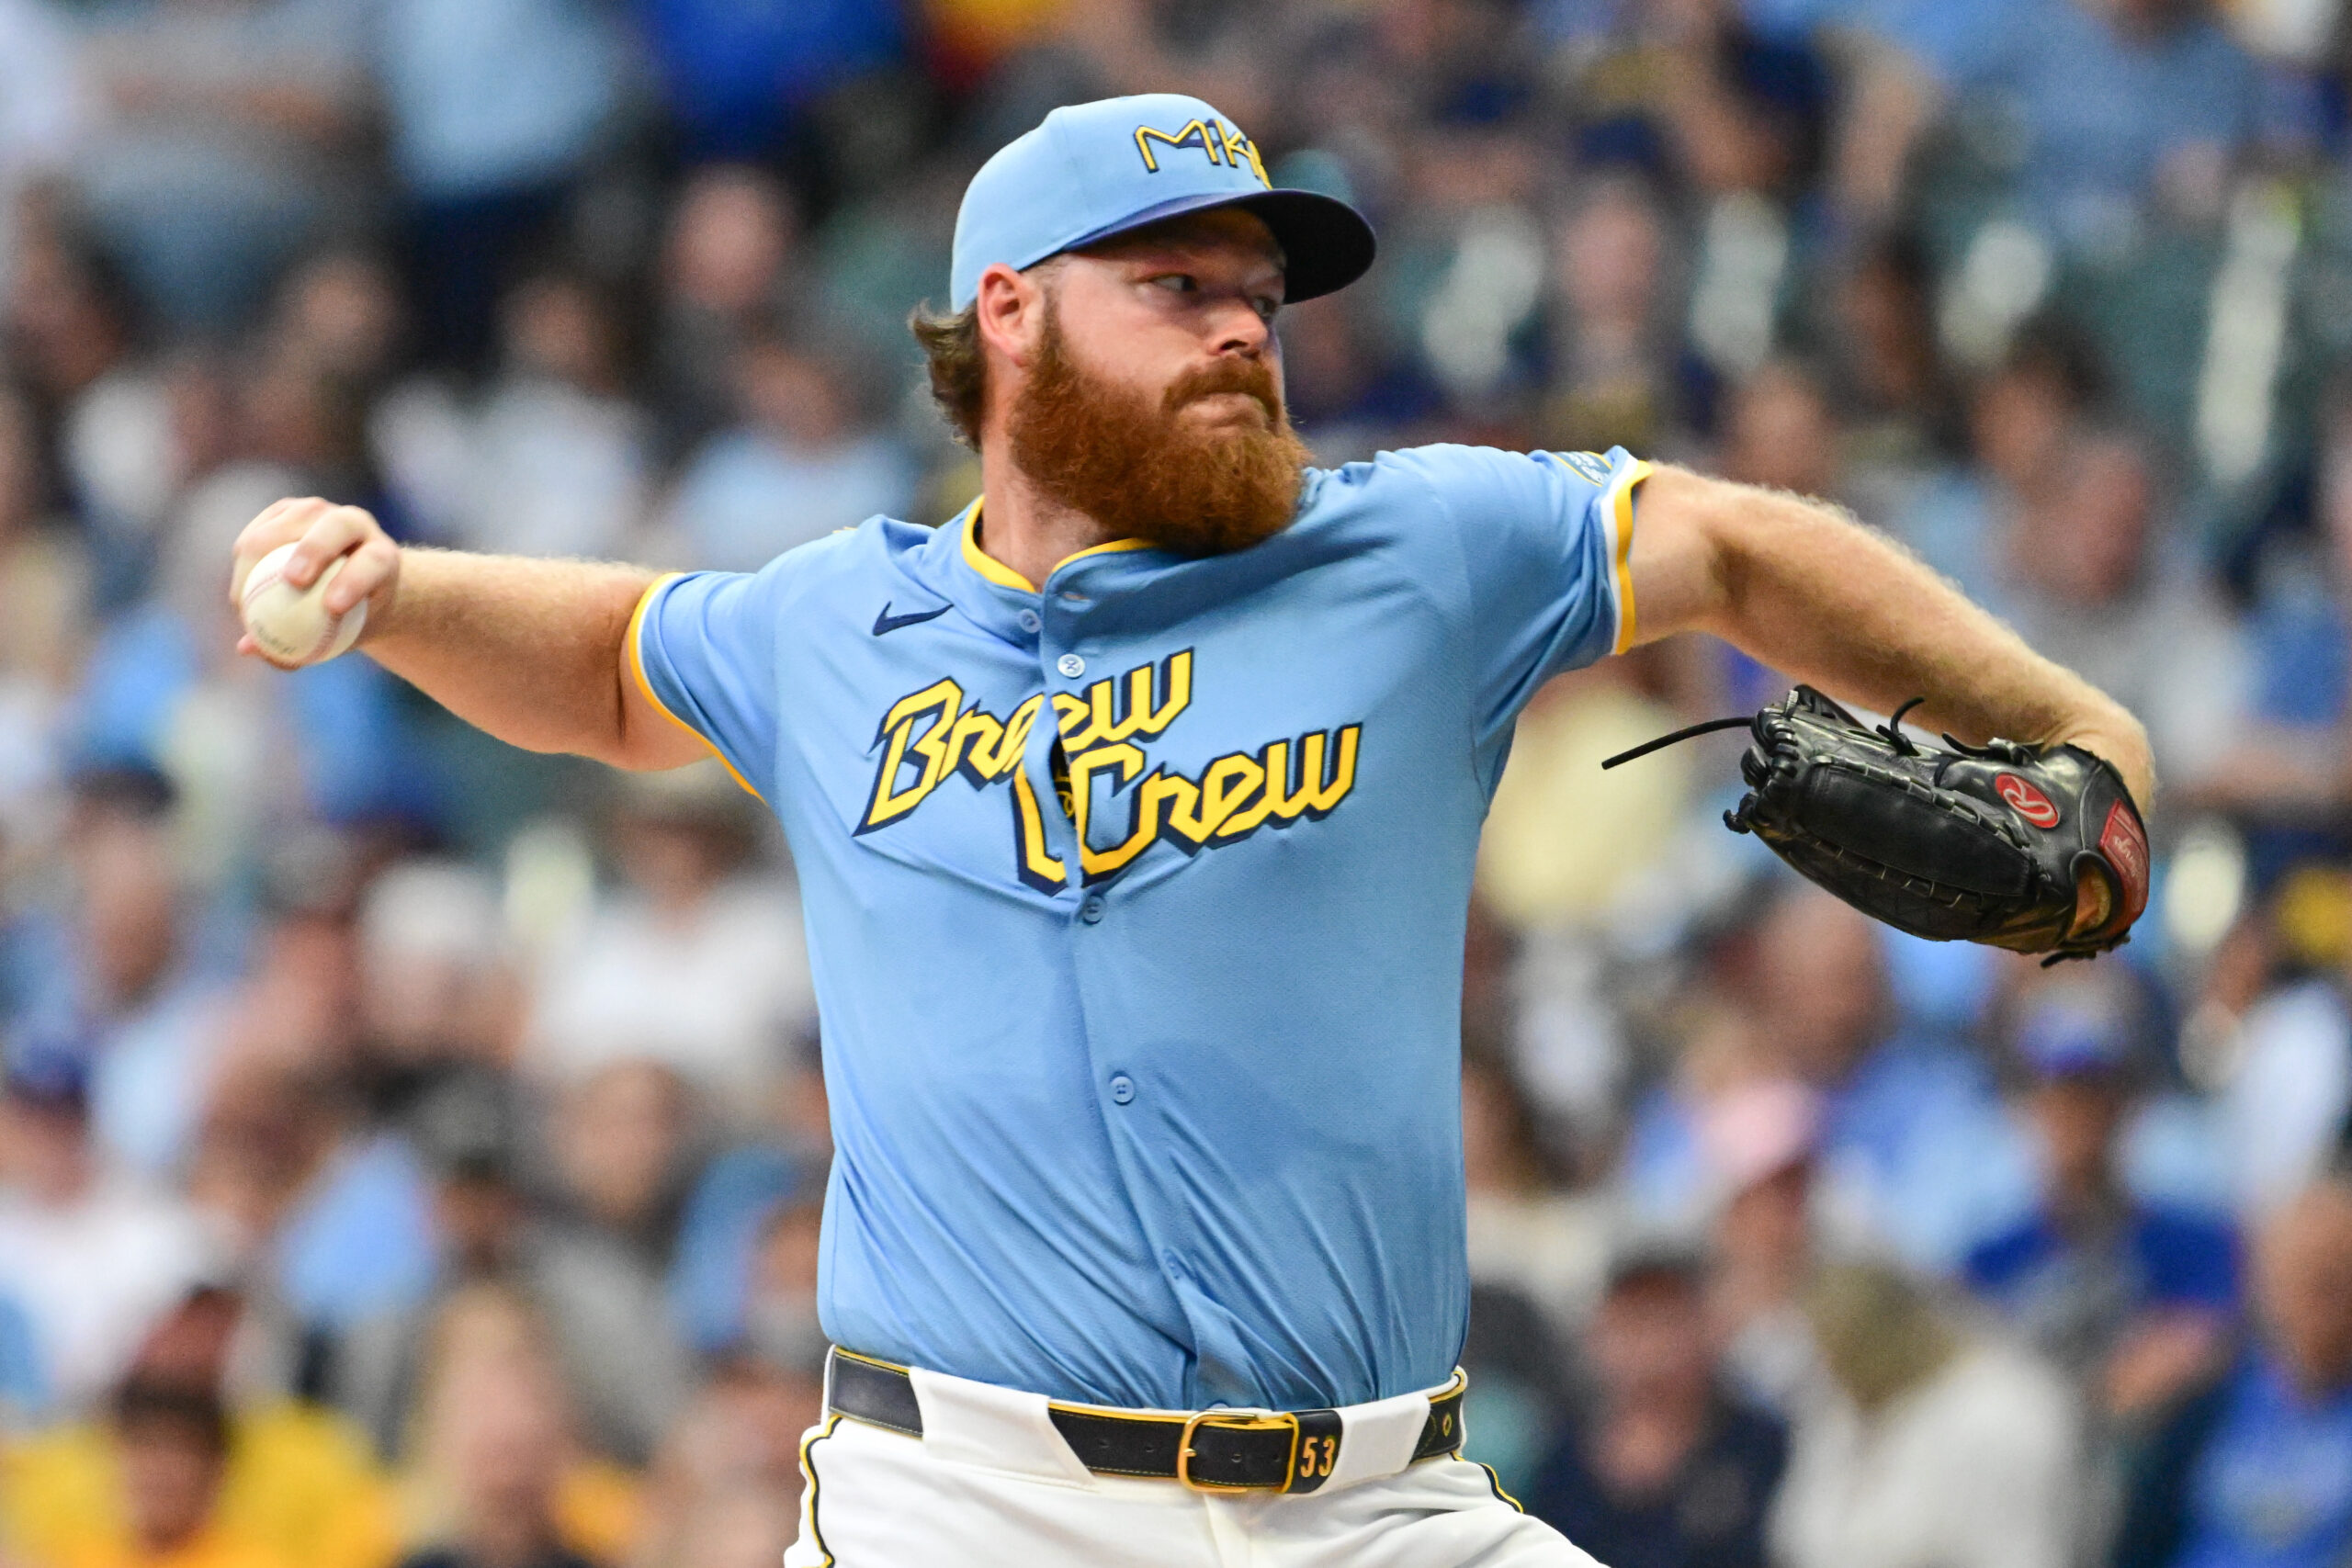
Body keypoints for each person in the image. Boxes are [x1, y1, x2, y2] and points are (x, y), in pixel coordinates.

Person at [228, 91, 2154, 1568]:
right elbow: (613, 664)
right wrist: (398, 589)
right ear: (1008, 315)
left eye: (1259, 292)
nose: (1244, 328)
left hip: (1372, 1499)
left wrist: (2061, 726)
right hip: (969, 1507)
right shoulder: (838, 622)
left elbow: (1723, 538)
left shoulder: (1416, 553)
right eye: (1177, 286)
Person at [2113, 1178, 2352, 1568]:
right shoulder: (2206, 1402)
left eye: (2334, 1280)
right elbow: (2141, 1534)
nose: (2317, 1299)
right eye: (2302, 1275)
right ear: (2264, 1282)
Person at [1521, 1248, 1788, 1568]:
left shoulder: (1760, 1448)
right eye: (1632, 1321)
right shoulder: (1559, 1458)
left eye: (1667, 1320)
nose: (1650, 1346)